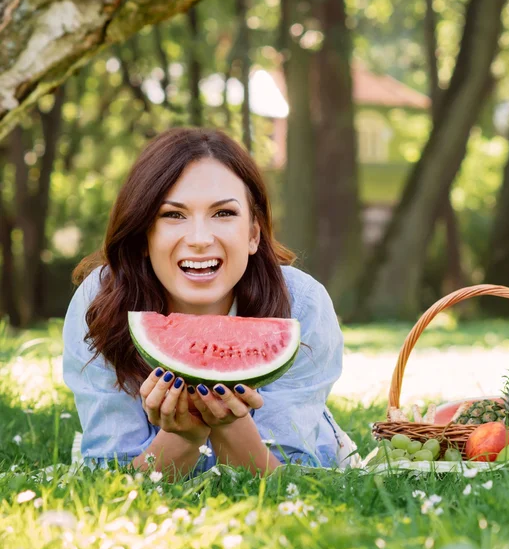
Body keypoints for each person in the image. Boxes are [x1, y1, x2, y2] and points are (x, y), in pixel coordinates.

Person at [62, 127, 356, 480]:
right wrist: (182, 436)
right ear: (143, 235)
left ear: (252, 233)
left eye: (223, 214)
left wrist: (230, 427)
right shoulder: (101, 302)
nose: (200, 239)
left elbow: (288, 482)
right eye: (173, 215)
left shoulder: (301, 303)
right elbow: (115, 482)